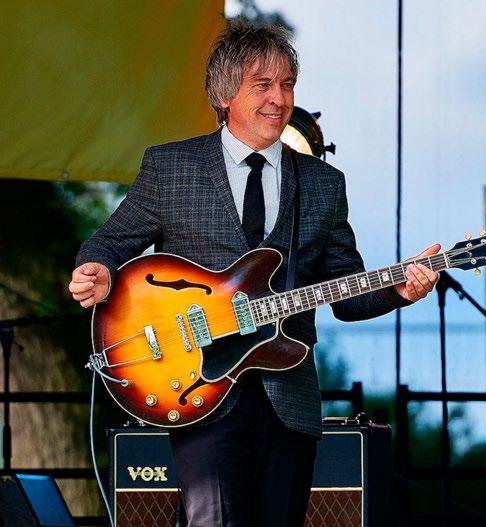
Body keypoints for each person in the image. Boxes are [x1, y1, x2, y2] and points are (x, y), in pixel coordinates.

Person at [69, 20, 438, 527]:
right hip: (197, 387)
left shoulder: (324, 183)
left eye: (287, 85)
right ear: (224, 96)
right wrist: (96, 269)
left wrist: (399, 291)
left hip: (289, 398)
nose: (279, 99)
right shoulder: (171, 167)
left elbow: (348, 295)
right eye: (262, 85)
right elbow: (109, 243)